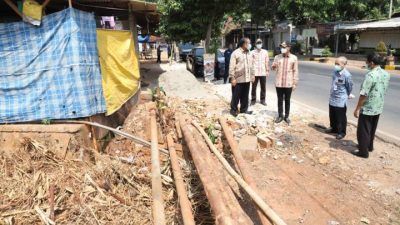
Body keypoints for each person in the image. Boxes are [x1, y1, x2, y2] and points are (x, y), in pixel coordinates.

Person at [353, 53, 390, 158]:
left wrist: (357, 108)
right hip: (378, 106)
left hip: (368, 107)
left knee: (363, 130)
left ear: (372, 63)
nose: (366, 63)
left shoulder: (370, 75)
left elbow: (364, 94)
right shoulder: (386, 74)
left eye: (367, 61)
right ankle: (369, 146)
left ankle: (363, 152)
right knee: (372, 128)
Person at [326, 56, 353, 140]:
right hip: (333, 96)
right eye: (335, 64)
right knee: (332, 114)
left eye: (338, 64)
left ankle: (342, 132)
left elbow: (349, 86)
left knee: (340, 116)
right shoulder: (335, 71)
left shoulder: (347, 75)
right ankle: (333, 128)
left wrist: (347, 94)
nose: (336, 65)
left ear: (344, 65)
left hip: (341, 98)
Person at [272, 41, 299, 124]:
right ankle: (280, 115)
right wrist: (274, 66)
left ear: (289, 48)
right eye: (281, 47)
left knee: (287, 100)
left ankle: (286, 116)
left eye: (284, 47)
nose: (282, 49)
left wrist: (295, 83)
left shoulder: (294, 58)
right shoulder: (277, 57)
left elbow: (295, 71)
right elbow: (274, 68)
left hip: (288, 83)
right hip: (279, 82)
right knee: (279, 100)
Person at [229, 37, 254, 117]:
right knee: (236, 95)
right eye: (248, 43)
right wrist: (232, 78)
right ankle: (233, 110)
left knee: (245, 95)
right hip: (238, 79)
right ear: (243, 44)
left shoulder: (249, 53)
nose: (250, 45)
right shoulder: (235, 53)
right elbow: (231, 66)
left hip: (247, 78)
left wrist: (252, 75)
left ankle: (244, 109)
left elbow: (251, 65)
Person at [251, 39, 270, 106]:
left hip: (263, 72)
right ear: (255, 44)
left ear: (262, 43)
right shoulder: (252, 52)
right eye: (258, 43)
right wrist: (251, 73)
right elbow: (251, 63)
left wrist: (267, 71)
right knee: (253, 87)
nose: (259, 44)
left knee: (263, 87)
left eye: (260, 43)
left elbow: (267, 62)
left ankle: (263, 100)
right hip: (255, 73)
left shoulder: (265, 52)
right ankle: (253, 100)